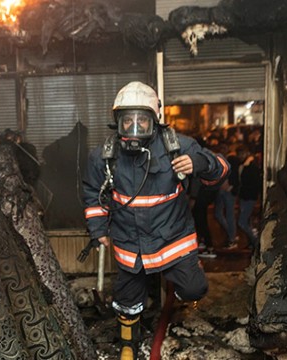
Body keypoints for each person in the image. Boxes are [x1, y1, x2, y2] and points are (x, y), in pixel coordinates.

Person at [82, 81, 230, 360]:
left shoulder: (179, 146)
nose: (135, 128)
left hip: (172, 239)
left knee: (194, 289)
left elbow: (221, 169)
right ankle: (128, 346)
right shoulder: (104, 156)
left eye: (143, 120)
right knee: (126, 303)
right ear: (118, 122)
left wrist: (199, 163)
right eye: (128, 121)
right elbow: (92, 192)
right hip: (130, 244)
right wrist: (98, 228)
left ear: (155, 121)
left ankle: (174, 283)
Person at [237, 148, 262, 249]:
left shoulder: (252, 168)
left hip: (249, 197)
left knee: (242, 222)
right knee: (246, 221)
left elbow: (252, 183)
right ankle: (252, 242)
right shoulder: (245, 167)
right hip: (245, 197)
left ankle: (255, 241)